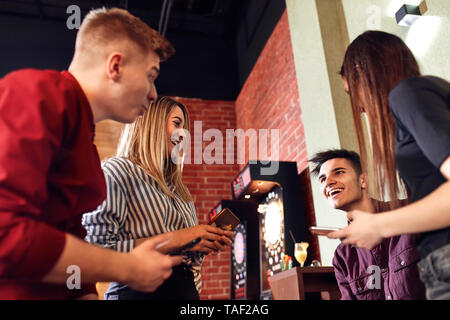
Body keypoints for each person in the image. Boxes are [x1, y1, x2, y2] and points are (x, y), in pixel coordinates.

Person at [0, 7, 183, 299]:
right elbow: (6, 234)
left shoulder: (85, 137)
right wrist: (127, 267)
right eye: (151, 76)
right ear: (116, 66)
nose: (153, 93)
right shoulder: (36, 94)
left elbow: (69, 238)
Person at [327, 31, 450, 300]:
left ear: (362, 72)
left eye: (352, 92)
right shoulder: (429, 91)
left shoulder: (407, 94)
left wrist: (380, 225)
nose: (359, 107)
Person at [82, 96, 234, 300]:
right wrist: (180, 238)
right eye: (177, 124)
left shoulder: (181, 192)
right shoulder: (118, 171)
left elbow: (190, 264)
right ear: (151, 124)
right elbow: (95, 249)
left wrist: (198, 244)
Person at [310, 149, 425, 300]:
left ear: (362, 180)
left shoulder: (411, 212)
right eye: (323, 179)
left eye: (338, 172)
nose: (329, 182)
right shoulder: (342, 257)